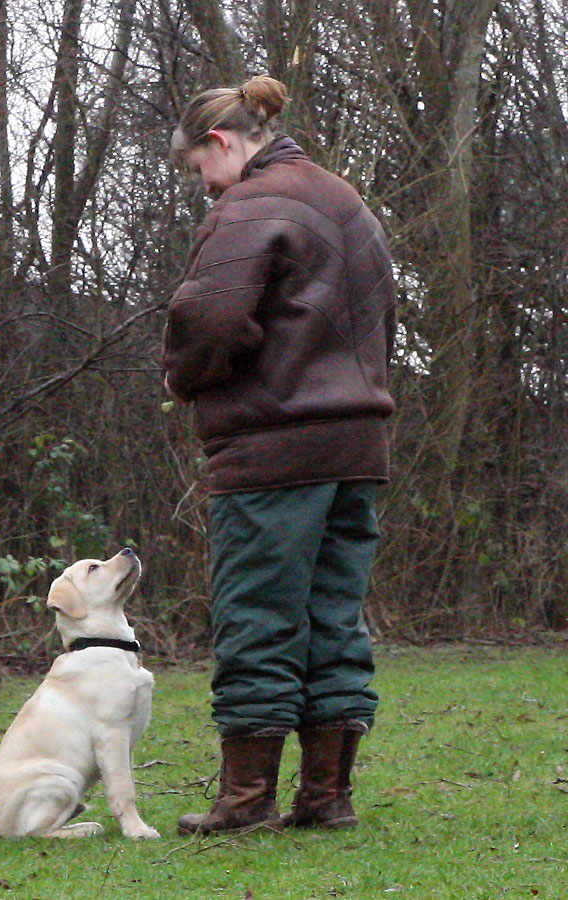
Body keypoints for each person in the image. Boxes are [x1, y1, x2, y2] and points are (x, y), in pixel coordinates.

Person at [161, 76, 395, 835]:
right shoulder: (345, 200)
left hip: (272, 448)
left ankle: (246, 801)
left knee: (258, 616)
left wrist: (185, 379)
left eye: (200, 166)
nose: (204, 184)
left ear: (222, 143)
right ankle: (328, 798)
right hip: (359, 446)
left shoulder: (249, 206)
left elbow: (211, 319)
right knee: (335, 618)